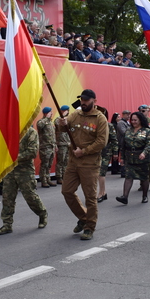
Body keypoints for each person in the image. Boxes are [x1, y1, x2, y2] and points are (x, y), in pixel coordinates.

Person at [56, 89, 109, 240]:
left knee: (90, 197)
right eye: (82, 100)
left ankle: (89, 227)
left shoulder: (100, 119)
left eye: (86, 100)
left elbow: (101, 142)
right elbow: (63, 128)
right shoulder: (75, 114)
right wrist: (62, 123)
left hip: (90, 163)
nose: (83, 102)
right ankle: (84, 217)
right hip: (73, 162)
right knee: (67, 191)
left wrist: (84, 151)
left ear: (94, 101)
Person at [0, 125, 48, 235]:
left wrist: (14, 157)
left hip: (25, 170)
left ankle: (42, 214)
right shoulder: (9, 131)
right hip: (9, 169)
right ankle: (7, 224)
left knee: (30, 196)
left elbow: (32, 152)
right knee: (7, 197)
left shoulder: (30, 132)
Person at [116, 111, 150, 204]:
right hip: (129, 157)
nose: (133, 122)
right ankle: (125, 197)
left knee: (144, 177)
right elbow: (123, 145)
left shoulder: (147, 131)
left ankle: (145, 196)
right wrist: (122, 158)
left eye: (135, 120)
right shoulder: (128, 130)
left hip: (142, 158)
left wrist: (144, 153)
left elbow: (149, 144)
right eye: (132, 120)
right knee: (128, 177)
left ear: (140, 120)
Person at [97, 109, 117, 203]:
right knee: (96, 173)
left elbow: (114, 139)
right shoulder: (94, 125)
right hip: (95, 152)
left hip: (106, 152)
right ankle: (103, 192)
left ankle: (101, 193)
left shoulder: (109, 125)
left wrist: (115, 152)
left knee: (101, 172)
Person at [36, 106, 57, 188]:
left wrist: (55, 145)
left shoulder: (51, 123)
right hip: (45, 147)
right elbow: (39, 126)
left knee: (49, 164)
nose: (51, 113)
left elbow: (53, 136)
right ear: (45, 113)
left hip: (51, 147)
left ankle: (48, 179)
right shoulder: (41, 122)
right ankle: (43, 180)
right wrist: (46, 118)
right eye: (50, 112)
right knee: (44, 164)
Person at [53, 105, 71, 185]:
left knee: (66, 161)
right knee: (60, 161)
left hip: (67, 144)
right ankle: (59, 177)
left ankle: (65, 176)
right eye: (66, 110)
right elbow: (57, 123)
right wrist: (63, 115)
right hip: (61, 144)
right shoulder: (58, 119)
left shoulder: (69, 119)